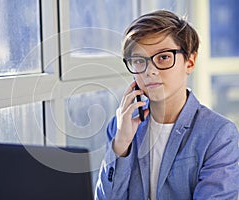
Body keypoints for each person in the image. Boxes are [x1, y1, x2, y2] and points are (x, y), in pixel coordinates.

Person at [95, 10, 239, 200]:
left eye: (163, 57)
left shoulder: (219, 135)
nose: (150, 71)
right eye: (139, 61)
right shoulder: (120, 127)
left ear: (190, 62)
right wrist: (121, 145)